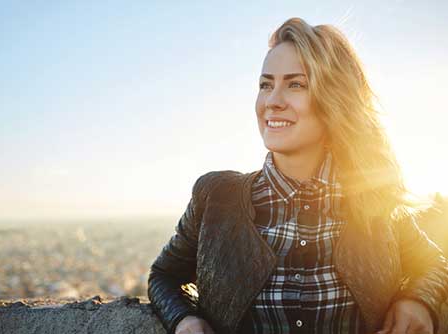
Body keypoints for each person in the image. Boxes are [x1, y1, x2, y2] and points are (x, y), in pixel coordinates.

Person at [147, 17, 448, 334]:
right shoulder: (216, 196)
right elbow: (162, 275)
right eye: (266, 84)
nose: (272, 102)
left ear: (334, 99)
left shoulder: (374, 197)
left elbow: (433, 264)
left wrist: (418, 300)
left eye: (296, 84)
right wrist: (184, 319)